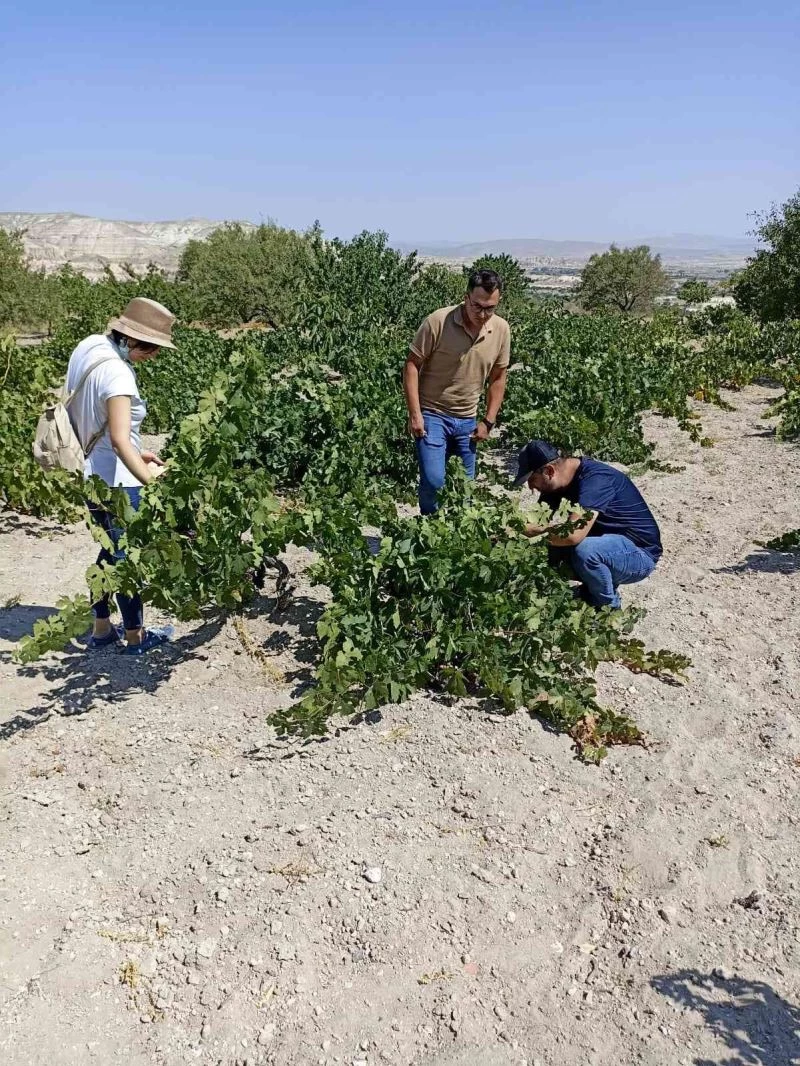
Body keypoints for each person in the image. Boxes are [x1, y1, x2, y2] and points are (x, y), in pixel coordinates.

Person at [65, 297, 177, 654]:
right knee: (127, 558)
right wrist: (151, 479)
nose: (154, 356)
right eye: (153, 348)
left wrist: (135, 446)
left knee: (109, 551)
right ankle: (135, 637)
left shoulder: (89, 347)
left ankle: (101, 629)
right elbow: (117, 439)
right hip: (118, 483)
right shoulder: (118, 372)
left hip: (90, 475)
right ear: (132, 339)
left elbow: (96, 418)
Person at [404, 268, 511, 514]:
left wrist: (489, 421)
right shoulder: (438, 321)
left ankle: (455, 540)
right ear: (466, 297)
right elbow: (411, 365)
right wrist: (415, 414)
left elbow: (498, 377)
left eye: (490, 308)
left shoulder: (502, 329)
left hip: (468, 420)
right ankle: (430, 531)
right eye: (477, 306)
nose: (483, 314)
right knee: (434, 480)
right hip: (432, 414)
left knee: (465, 488)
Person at [513, 439, 662, 609]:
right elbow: (535, 522)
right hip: (609, 546)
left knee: (585, 551)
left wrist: (537, 533)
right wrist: (508, 531)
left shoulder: (596, 480)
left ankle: (607, 606)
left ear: (549, 471)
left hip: (639, 555)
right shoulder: (554, 485)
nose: (531, 487)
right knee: (547, 549)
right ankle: (589, 591)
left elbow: (572, 535)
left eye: (532, 479)